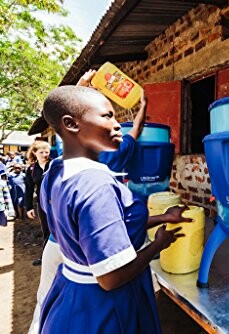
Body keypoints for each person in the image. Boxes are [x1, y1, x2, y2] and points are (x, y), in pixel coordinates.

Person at [38, 85, 189, 334]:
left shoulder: (56, 170)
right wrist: (158, 245)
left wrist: (165, 216)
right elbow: (111, 278)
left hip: (70, 290)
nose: (118, 124)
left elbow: (95, 226)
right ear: (71, 124)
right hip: (102, 309)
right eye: (107, 116)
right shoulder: (96, 186)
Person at [25, 140, 52, 266]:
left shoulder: (55, 164)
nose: (45, 154)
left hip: (58, 202)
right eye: (41, 152)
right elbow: (29, 189)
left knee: (62, 228)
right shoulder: (31, 169)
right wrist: (29, 207)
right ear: (35, 153)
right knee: (46, 230)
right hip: (42, 204)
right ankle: (46, 257)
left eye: (47, 152)